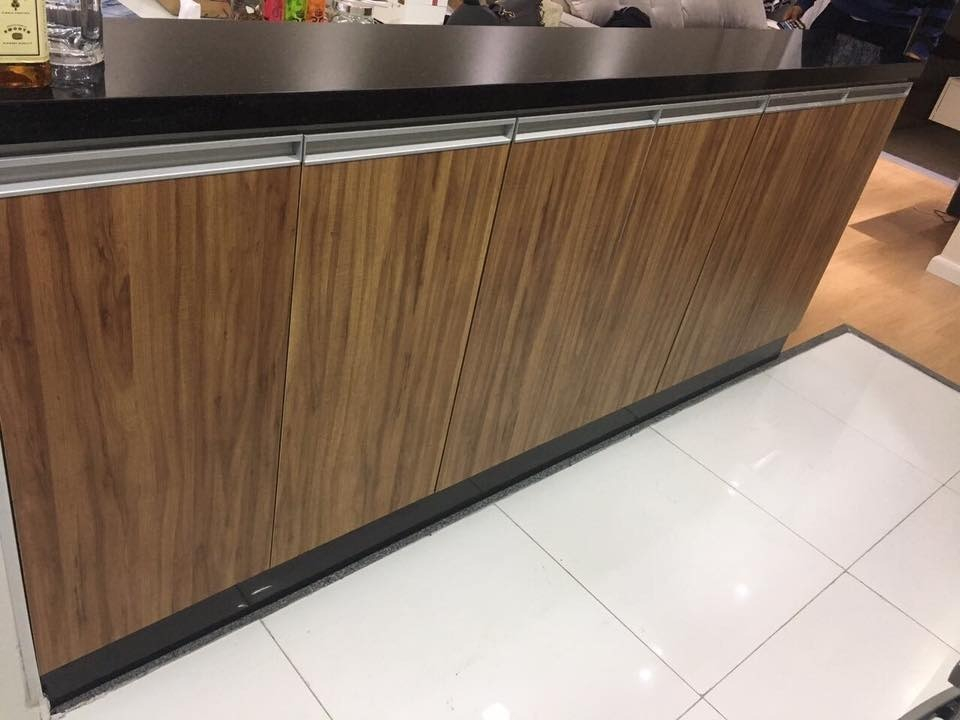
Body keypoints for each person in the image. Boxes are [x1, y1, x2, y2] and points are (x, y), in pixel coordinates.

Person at [785, 0, 958, 61]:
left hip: (890, 33)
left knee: (856, 103)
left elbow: (944, 4)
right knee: (800, 84)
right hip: (837, 15)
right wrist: (802, 3)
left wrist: (922, 46)